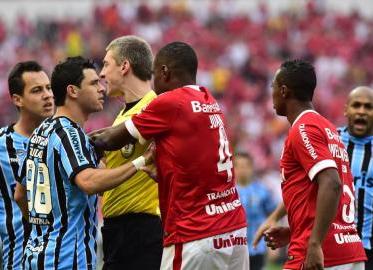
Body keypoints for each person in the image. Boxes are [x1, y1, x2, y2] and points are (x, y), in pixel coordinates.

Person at [90, 41, 249, 270]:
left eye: (154, 73)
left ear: (164, 72)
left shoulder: (170, 102)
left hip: (195, 231)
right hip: (233, 229)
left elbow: (110, 140)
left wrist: (68, 137)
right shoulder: (208, 100)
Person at [13, 56, 153, 269]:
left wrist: (45, 229)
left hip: (36, 256)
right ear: (73, 91)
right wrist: (143, 160)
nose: (102, 89)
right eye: (93, 83)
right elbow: (88, 182)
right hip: (65, 260)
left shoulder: (41, 132)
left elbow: (20, 194)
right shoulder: (68, 133)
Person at [254, 59, 366, 270]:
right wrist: (294, 230)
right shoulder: (327, 128)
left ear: (284, 90)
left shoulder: (304, 129)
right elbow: (315, 191)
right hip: (347, 249)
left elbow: (332, 183)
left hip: (321, 253)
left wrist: (314, 242)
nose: (272, 93)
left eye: (273, 87)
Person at [0, 61, 54, 269]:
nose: (47, 95)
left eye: (48, 88)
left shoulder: (61, 140)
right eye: (37, 90)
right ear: (18, 99)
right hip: (21, 261)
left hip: (63, 260)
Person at [98, 35, 162, 270]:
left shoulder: (153, 108)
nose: (102, 74)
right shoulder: (125, 113)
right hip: (118, 231)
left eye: (106, 64)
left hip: (141, 229)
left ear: (124, 66)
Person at [338, 86, 373, 269]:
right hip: (333, 246)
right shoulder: (330, 141)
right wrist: (275, 217)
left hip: (369, 249)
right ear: (346, 109)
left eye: (368, 107)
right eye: (356, 105)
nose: (361, 111)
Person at [234, 152, 276, 270]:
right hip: (235, 248)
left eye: (246, 166)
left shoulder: (262, 190)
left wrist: (273, 244)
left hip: (258, 247)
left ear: (251, 168)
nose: (242, 169)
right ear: (233, 168)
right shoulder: (229, 193)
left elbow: (272, 216)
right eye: (238, 166)